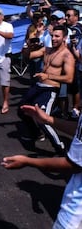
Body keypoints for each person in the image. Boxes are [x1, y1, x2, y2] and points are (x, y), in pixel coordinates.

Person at [1, 103, 81, 229]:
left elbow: (74, 164)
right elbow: (79, 128)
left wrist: (28, 161)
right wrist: (48, 119)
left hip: (75, 215)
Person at [19, 25, 75, 154]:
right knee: (22, 110)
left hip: (50, 90)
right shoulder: (47, 49)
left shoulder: (67, 56)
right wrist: (28, 45)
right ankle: (37, 133)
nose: (54, 38)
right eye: (52, 36)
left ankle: (60, 147)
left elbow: (69, 79)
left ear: (64, 38)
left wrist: (48, 76)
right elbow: (29, 57)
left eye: (57, 36)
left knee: (43, 119)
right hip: (38, 86)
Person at [66, 8, 82, 119]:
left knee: (76, 87)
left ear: (76, 17)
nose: (66, 18)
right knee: (71, 87)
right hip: (70, 60)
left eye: (69, 16)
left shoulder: (77, 30)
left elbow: (74, 48)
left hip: (76, 62)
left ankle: (76, 108)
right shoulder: (68, 28)